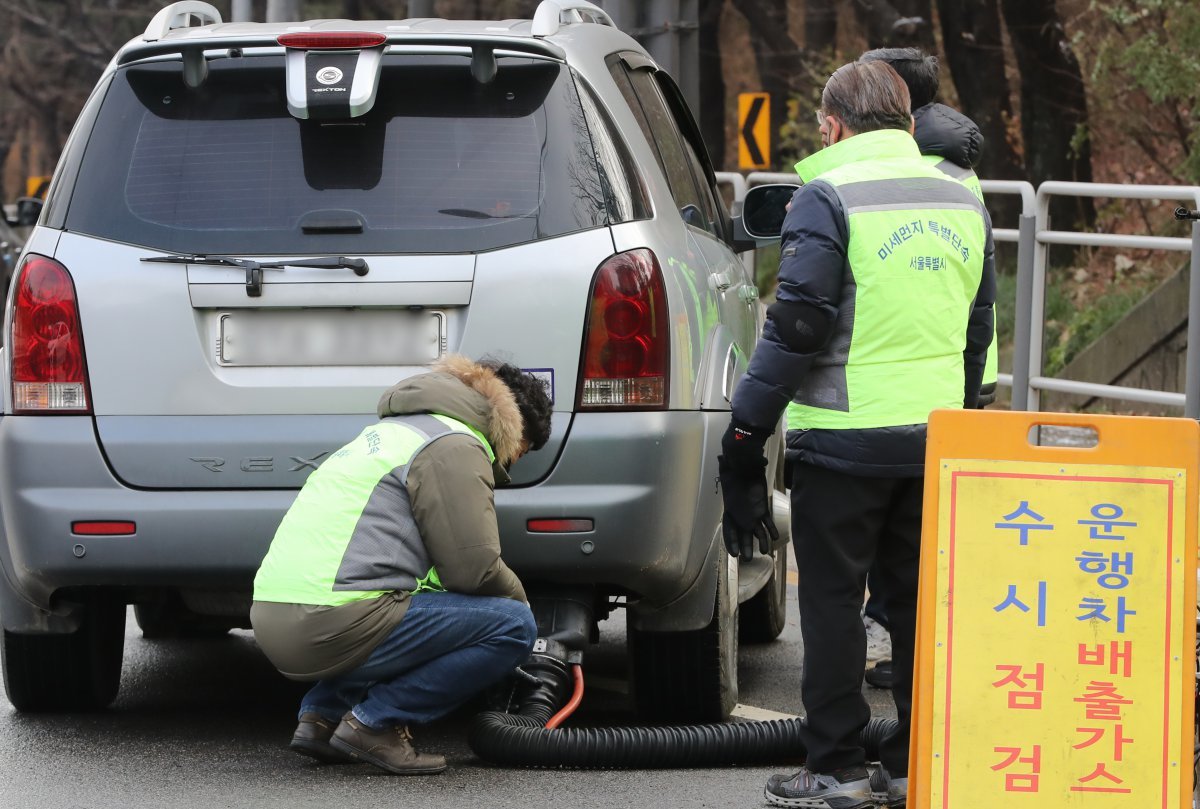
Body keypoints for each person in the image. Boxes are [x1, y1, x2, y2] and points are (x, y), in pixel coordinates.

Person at [719, 60, 994, 809]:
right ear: (908, 125)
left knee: (837, 601)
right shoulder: (964, 197)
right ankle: (911, 762)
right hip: (934, 437)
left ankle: (836, 764)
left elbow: (799, 323)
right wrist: (962, 419)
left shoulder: (827, 195)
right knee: (914, 607)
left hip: (843, 439)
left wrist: (746, 429)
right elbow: (978, 332)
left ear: (831, 126)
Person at [250, 354, 552, 776]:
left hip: (275, 617)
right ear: (513, 425)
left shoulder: (392, 433)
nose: (514, 462)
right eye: (522, 450)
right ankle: (375, 724)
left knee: (411, 603)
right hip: (330, 622)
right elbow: (474, 570)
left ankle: (321, 717)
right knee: (511, 625)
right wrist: (528, 615)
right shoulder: (454, 445)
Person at [856, 47, 996, 692]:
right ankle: (912, 642)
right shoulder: (960, 167)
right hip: (956, 366)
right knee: (926, 523)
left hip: (903, 373)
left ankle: (892, 635)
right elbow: (983, 294)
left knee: (896, 530)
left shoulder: (902, 167)